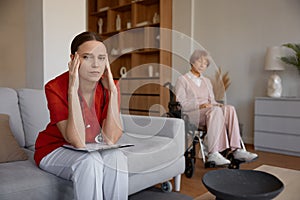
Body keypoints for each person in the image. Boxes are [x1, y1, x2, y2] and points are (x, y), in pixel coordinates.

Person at [34, 31, 128, 200]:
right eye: (87, 57)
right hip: (54, 149)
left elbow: (111, 139)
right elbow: (76, 140)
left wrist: (113, 91)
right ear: (73, 59)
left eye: (101, 58)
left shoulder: (110, 86)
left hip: (91, 148)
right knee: (90, 162)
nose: (96, 65)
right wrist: (72, 89)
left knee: (117, 157)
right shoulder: (55, 87)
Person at [175, 49, 258, 166]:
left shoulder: (207, 81)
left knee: (229, 108)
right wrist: (200, 105)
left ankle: (237, 150)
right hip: (192, 113)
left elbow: (212, 101)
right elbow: (181, 103)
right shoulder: (182, 80)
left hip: (209, 111)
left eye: (205, 63)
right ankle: (213, 153)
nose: (202, 65)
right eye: (199, 62)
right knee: (215, 111)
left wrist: (217, 104)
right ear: (192, 61)